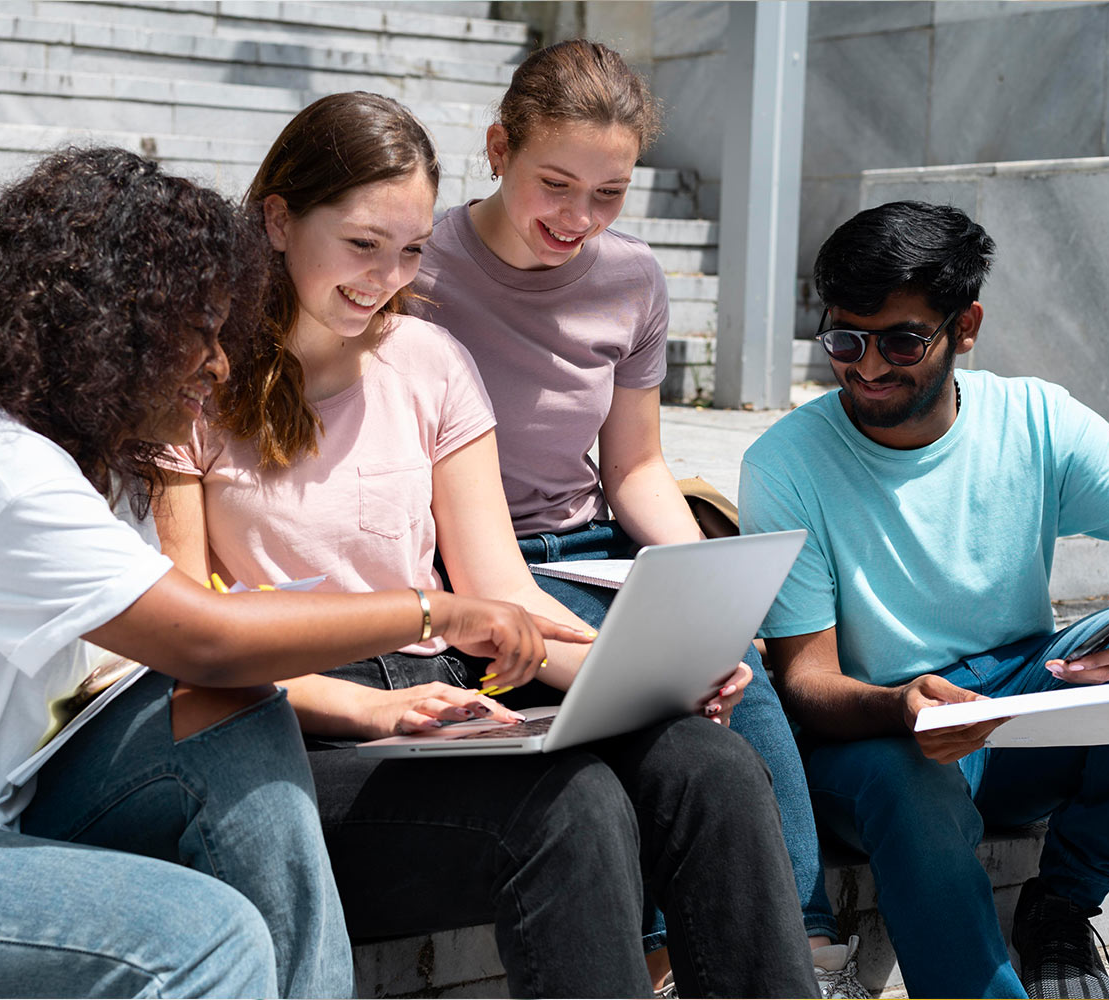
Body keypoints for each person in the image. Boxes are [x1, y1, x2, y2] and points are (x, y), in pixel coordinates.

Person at [0, 146, 584, 999]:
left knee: (235, 716)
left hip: (5, 808)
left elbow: (210, 669)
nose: (220, 366)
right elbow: (208, 639)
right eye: (201, 334)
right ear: (112, 329)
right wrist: (432, 610)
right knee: (206, 936)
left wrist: (376, 703)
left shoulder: (104, 467)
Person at [158, 91, 817, 999]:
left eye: (413, 250)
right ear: (277, 219)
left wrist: (644, 671)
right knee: (571, 807)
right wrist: (375, 712)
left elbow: (501, 586)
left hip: (452, 693)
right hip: (298, 725)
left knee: (711, 767)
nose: (386, 277)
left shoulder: (428, 360)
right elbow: (190, 646)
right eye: (361, 244)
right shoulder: (190, 385)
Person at [412, 38, 863, 997]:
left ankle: (802, 945)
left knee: (740, 670)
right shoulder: (421, 269)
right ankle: (670, 951)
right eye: (556, 183)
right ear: (497, 147)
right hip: (470, 563)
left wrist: (702, 578)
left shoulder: (632, 280)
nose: (578, 219)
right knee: (662, 708)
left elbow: (637, 467)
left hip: (591, 547)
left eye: (609, 193)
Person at [739, 200, 1109, 999]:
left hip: (1021, 705)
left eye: (903, 341)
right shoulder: (787, 463)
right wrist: (900, 708)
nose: (869, 367)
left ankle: (1060, 907)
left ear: (967, 325)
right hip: (876, 736)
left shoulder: (1038, 420)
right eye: (846, 339)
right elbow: (806, 684)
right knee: (909, 780)